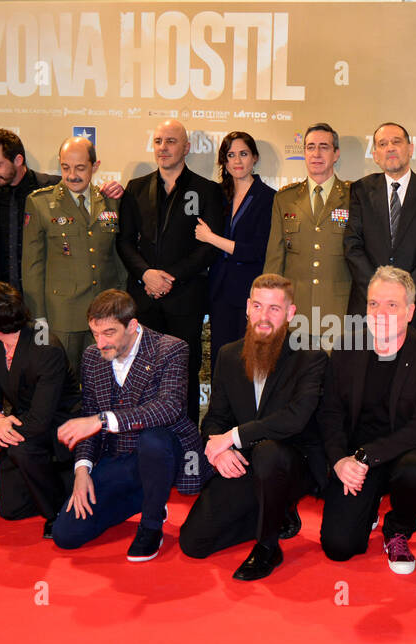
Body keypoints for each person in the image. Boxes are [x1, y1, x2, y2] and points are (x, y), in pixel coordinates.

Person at [179, 274, 328, 580]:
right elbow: (215, 418)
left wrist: (232, 437)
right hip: (248, 462)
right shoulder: (229, 355)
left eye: (274, 309)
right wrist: (217, 450)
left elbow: (294, 418)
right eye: (258, 306)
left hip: (293, 463)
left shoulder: (311, 357)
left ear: (290, 313)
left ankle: (267, 546)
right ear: (247, 307)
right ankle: (275, 512)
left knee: (269, 453)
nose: (263, 316)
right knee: (194, 542)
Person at [52, 289, 212, 560]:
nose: (100, 343)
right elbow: (90, 417)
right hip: (117, 458)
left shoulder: (170, 348)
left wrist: (103, 420)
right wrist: (82, 471)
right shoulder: (92, 357)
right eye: (95, 333)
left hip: (165, 453)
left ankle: (151, 523)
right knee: (66, 535)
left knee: (153, 438)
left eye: (109, 333)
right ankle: (148, 497)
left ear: (132, 326)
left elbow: (169, 408)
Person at [318, 267, 416, 573]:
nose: (380, 312)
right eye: (373, 303)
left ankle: (398, 529)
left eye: (392, 305)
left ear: (409, 311)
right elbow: (331, 413)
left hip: (409, 449)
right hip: (358, 452)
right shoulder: (346, 347)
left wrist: (367, 457)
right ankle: (370, 504)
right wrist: (340, 460)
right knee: (339, 547)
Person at [117, 119, 226, 423]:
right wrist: (146, 274)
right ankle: (142, 434)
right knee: (141, 371)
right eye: (158, 141)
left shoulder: (208, 191)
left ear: (186, 148)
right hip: (144, 297)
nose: (163, 148)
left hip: (184, 300)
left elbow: (209, 248)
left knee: (184, 372)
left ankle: (185, 437)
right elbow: (124, 241)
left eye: (171, 141)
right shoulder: (135, 188)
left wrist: (169, 278)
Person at [0, 281, 80, 540]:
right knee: (11, 510)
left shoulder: (45, 347)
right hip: (23, 421)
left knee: (20, 447)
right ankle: (56, 480)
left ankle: (57, 511)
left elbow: (39, 420)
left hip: (60, 426)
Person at [22, 136, 129, 376]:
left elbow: (119, 259)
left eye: (80, 168)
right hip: (62, 316)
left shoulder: (111, 201)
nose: (72, 175)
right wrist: (38, 318)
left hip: (105, 314)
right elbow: (32, 266)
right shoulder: (39, 203)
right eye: (65, 167)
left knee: (103, 383)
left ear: (95, 166)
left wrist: (122, 304)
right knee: (60, 382)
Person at [344, 122, 416, 339]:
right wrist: (380, 291)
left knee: (414, 371)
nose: (390, 148)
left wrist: (404, 292)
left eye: (396, 142)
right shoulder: (360, 190)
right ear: (375, 155)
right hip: (370, 306)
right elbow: (352, 246)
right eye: (382, 144)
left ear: (410, 149)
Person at [263, 122, 352, 346]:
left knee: (336, 379)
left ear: (336, 154)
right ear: (304, 153)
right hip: (296, 312)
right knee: (297, 379)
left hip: (339, 311)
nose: (317, 153)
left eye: (324, 147)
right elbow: (275, 257)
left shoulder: (354, 197)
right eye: (310, 147)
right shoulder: (285, 199)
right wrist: (270, 305)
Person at [199, 131, 276, 360]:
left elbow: (255, 251)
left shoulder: (268, 198)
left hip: (250, 292)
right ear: (224, 161)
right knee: (220, 360)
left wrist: (211, 238)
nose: (237, 161)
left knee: (249, 361)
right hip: (219, 291)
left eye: (243, 154)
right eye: (230, 155)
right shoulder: (217, 195)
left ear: (255, 157)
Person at [0, 128, 59, 291]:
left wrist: (111, 190)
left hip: (43, 294)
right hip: (1, 296)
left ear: (18, 160)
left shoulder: (52, 188)